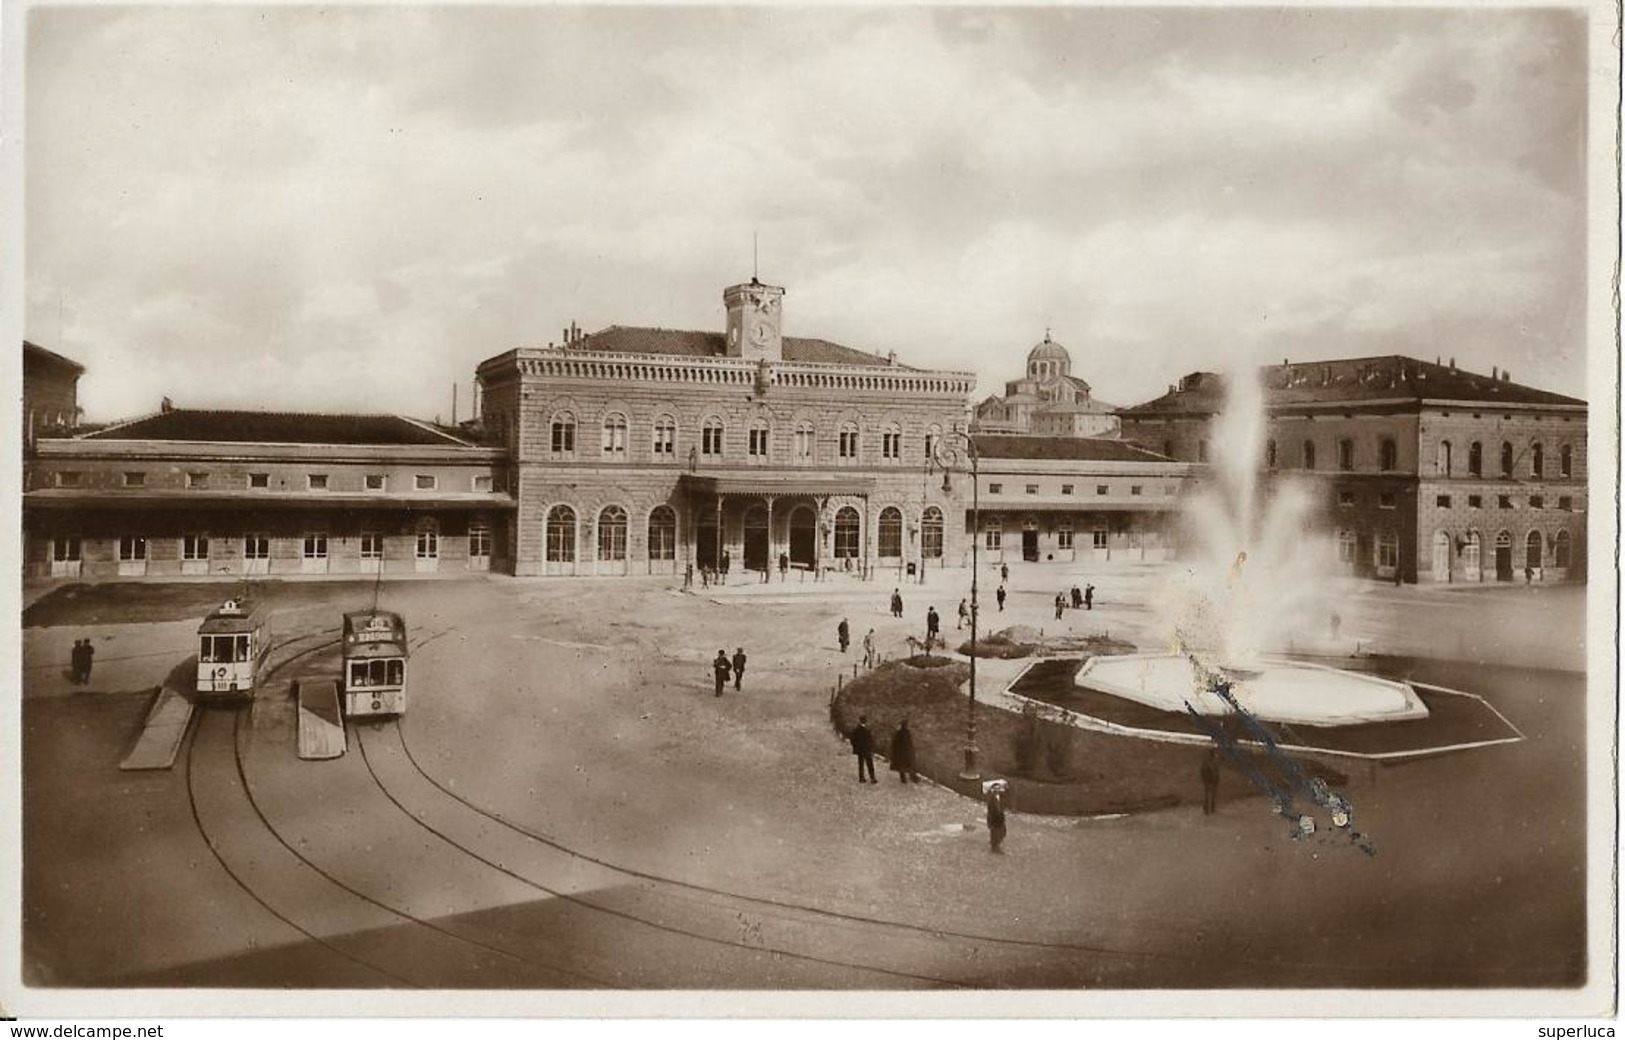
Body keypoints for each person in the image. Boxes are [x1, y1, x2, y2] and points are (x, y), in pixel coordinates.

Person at [889, 718, 919, 783]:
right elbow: (909, 743)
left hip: (900, 753)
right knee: (910, 764)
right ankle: (913, 778)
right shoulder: (907, 732)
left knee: (902, 766)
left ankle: (904, 779)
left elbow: (894, 743)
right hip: (906, 752)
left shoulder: (898, 733)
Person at [850, 715, 877, 783]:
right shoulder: (867, 730)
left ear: (860, 721)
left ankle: (861, 778)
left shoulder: (856, 729)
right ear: (865, 721)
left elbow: (852, 739)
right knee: (870, 764)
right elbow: (870, 740)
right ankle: (872, 778)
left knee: (861, 764)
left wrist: (855, 747)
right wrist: (871, 748)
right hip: (867, 749)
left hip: (860, 750)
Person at [986, 784, 1008, 853]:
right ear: (993, 790)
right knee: (995, 833)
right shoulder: (991, 798)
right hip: (994, 819)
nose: (997, 790)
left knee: (1003, 832)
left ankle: (995, 844)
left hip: (1000, 818)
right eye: (996, 789)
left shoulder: (1000, 796)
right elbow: (991, 809)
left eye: (998, 788)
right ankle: (995, 847)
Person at [1200, 750, 1220, 815]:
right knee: (1211, 794)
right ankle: (1211, 808)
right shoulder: (1213, 762)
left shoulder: (1206, 762)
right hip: (1211, 780)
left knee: (1208, 795)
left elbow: (1202, 771)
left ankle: (1207, 809)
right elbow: (1215, 773)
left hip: (1207, 780)